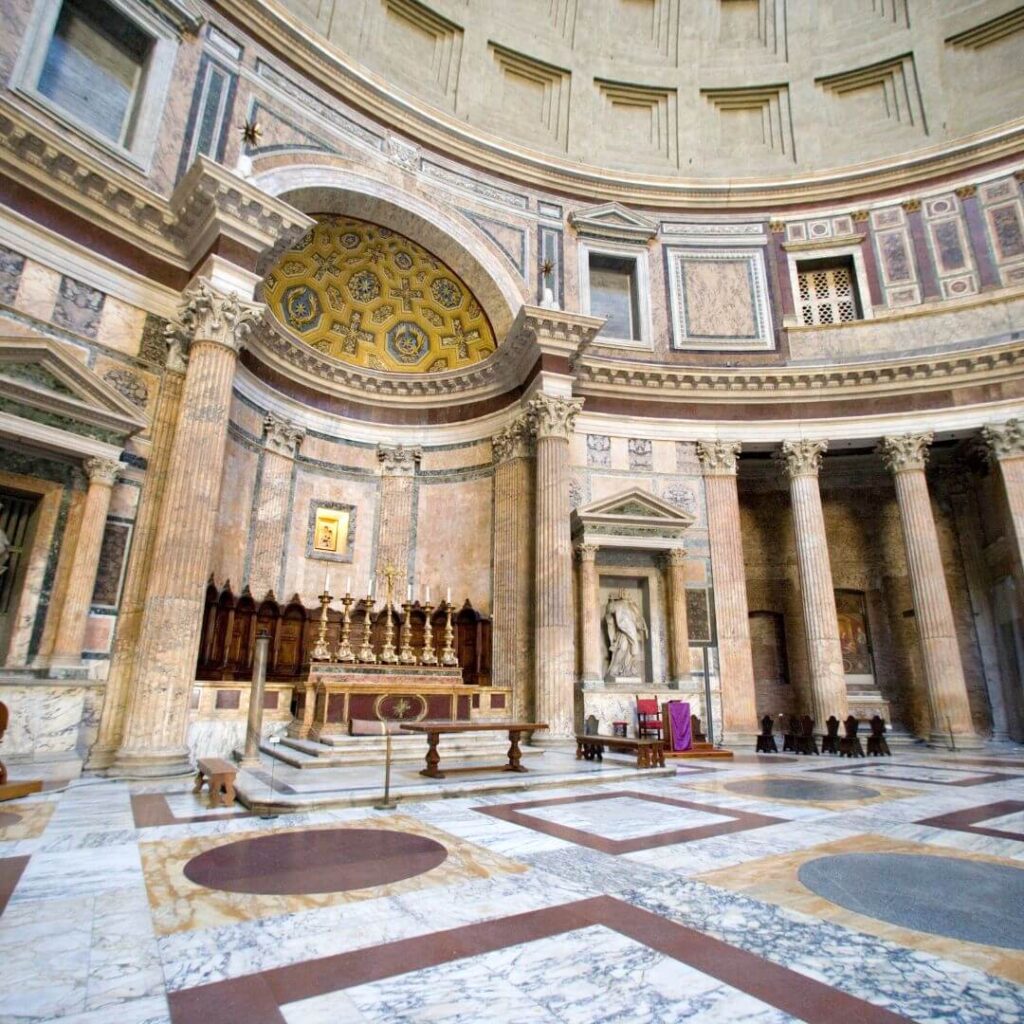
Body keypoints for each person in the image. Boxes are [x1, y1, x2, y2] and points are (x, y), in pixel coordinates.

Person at [604, 590, 648, 677]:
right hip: (623, 632)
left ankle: (628, 670)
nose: (626, 595)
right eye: (624, 593)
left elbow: (637, 620)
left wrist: (642, 627)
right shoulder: (618, 604)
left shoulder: (633, 606)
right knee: (622, 649)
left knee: (631, 652)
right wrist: (611, 601)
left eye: (627, 593)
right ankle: (614, 670)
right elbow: (610, 610)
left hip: (632, 632)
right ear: (621, 594)